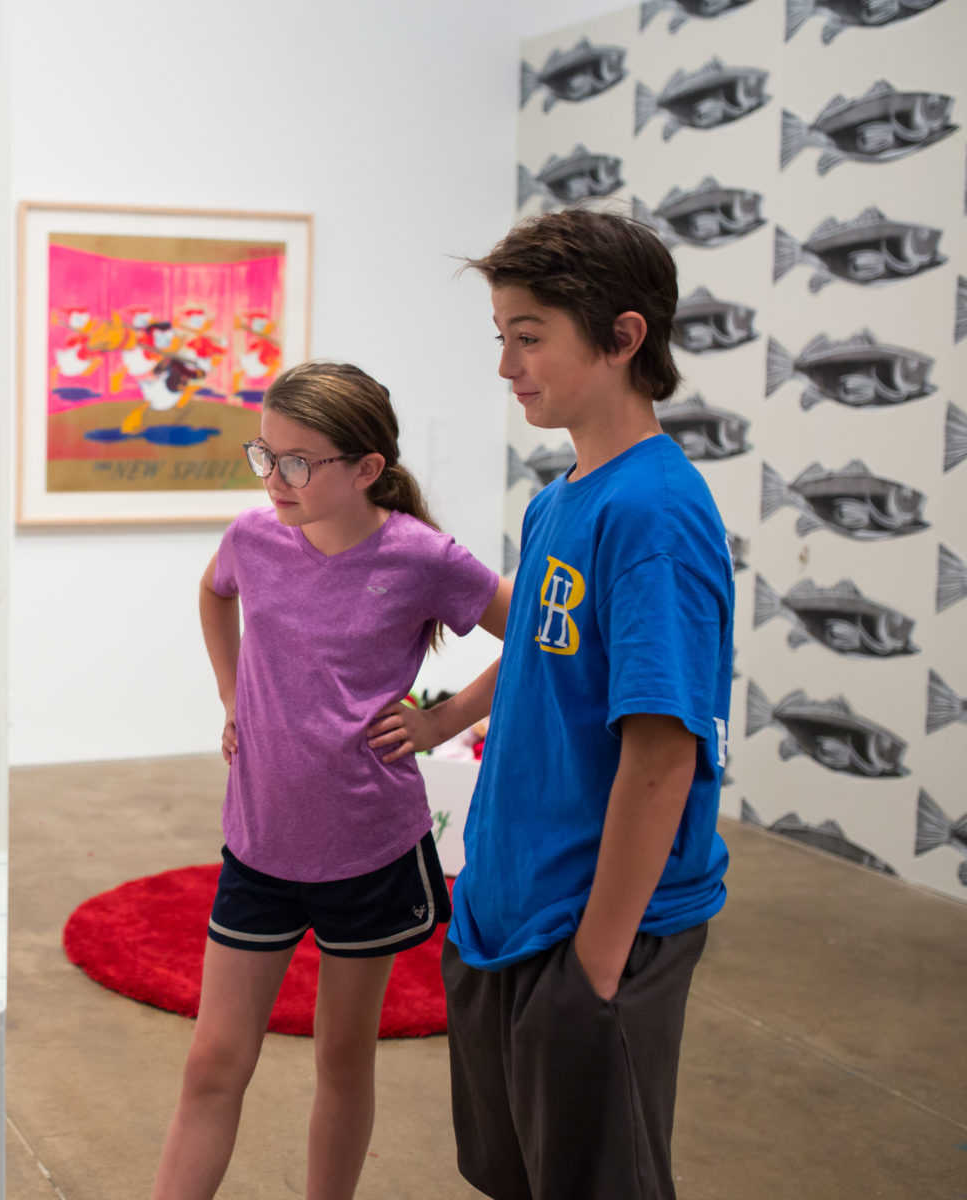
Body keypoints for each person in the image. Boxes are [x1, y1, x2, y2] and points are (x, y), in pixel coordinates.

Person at [383, 208, 734, 1199]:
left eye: (528, 336)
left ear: (623, 338)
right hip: (506, 906)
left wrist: (597, 968)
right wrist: (443, 722)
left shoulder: (653, 515)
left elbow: (663, 756)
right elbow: (543, 654)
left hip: (591, 928)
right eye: (502, 337)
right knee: (516, 1172)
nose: (507, 366)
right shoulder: (560, 499)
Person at [151, 360, 512, 1200]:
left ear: (366, 470)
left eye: (299, 461)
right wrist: (232, 692)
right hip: (261, 843)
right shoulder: (252, 537)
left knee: (342, 1058)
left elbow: (535, 630)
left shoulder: (422, 556)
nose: (275, 479)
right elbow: (213, 595)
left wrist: (443, 721)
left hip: (370, 851)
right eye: (265, 456)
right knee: (213, 1060)